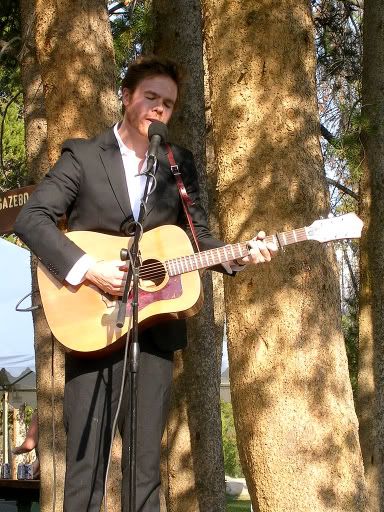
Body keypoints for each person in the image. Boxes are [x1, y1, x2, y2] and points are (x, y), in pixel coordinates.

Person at [14, 55, 276, 512]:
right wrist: (89, 268)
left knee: (145, 472)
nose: (159, 109)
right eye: (150, 97)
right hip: (89, 325)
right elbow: (31, 218)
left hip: (152, 334)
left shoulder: (179, 164)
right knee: (85, 472)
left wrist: (242, 255)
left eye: (168, 104)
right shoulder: (83, 155)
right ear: (126, 96)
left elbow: (198, 239)